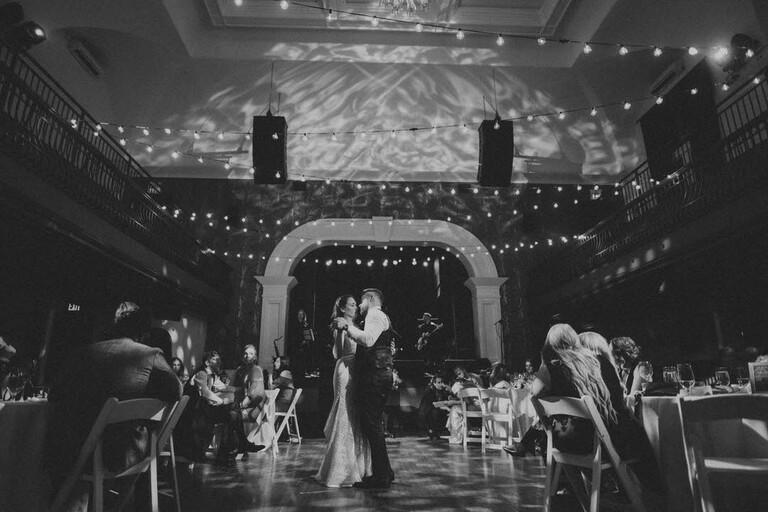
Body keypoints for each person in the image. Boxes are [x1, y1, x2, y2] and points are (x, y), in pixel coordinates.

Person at [46, 302, 181, 512]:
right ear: (144, 333)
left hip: (66, 448)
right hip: (115, 453)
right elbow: (176, 391)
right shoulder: (149, 354)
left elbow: (54, 394)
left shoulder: (82, 352)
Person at [332, 288, 396, 489]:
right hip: (377, 373)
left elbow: (368, 340)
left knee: (372, 425)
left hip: (376, 375)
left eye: (360, 301)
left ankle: (382, 475)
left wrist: (347, 328)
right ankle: (385, 472)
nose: (359, 305)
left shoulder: (374, 314)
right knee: (372, 423)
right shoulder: (378, 316)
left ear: (370, 299)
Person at [315, 295, 372, 487]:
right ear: (342, 308)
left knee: (357, 415)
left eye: (356, 304)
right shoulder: (339, 324)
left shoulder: (357, 325)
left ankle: (359, 466)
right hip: (345, 370)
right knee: (345, 413)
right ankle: (341, 469)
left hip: (358, 370)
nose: (356, 307)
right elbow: (338, 353)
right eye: (352, 305)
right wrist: (340, 333)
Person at [181, 351, 243, 464]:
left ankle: (226, 451)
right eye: (215, 360)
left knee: (233, 413)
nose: (219, 362)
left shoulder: (213, 375)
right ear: (207, 362)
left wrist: (240, 389)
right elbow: (205, 393)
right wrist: (222, 401)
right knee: (232, 410)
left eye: (219, 359)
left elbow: (224, 387)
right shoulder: (201, 374)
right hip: (195, 412)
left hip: (205, 410)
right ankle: (230, 450)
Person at [233, 344, 268, 452]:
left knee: (232, 415)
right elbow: (235, 387)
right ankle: (240, 444)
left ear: (255, 357)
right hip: (247, 404)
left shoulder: (256, 370)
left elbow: (253, 394)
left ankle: (237, 445)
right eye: (246, 353)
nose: (248, 356)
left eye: (251, 354)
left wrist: (239, 406)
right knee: (230, 414)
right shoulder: (242, 370)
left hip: (255, 407)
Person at [418, 374, 450, 440]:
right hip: (427, 412)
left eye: (442, 382)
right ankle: (431, 431)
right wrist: (445, 408)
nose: (441, 384)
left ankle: (435, 431)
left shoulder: (443, 391)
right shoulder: (430, 390)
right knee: (435, 413)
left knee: (439, 413)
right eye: (439, 382)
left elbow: (445, 401)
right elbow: (433, 404)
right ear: (434, 383)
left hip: (435, 410)